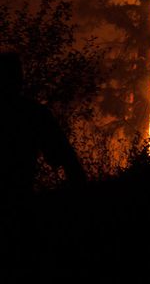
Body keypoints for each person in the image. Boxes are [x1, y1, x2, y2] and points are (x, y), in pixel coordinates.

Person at [0, 51, 86, 196]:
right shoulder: (33, 113)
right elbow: (66, 159)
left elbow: (65, 157)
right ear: (18, 79)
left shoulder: (34, 112)